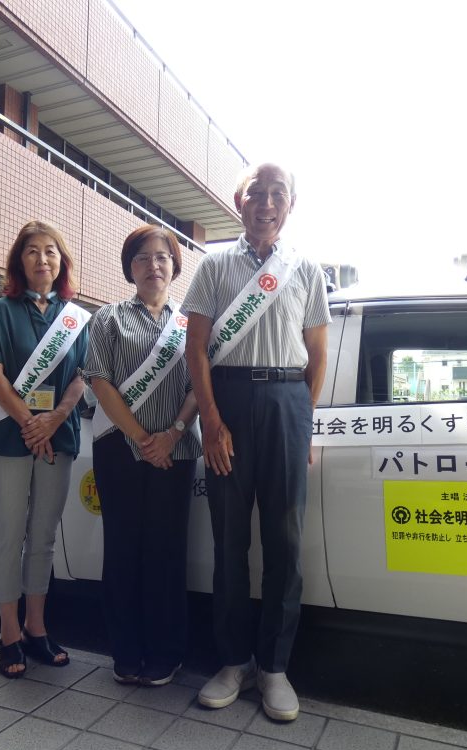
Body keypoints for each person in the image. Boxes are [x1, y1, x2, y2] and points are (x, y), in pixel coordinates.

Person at [182, 162, 329, 721]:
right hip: (229, 403)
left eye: (277, 194)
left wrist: (301, 424)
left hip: (287, 401)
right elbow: (196, 350)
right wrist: (211, 422)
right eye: (256, 194)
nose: (266, 203)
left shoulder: (305, 269)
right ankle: (232, 662)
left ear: (290, 205)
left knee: (285, 545)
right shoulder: (214, 265)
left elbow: (317, 356)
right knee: (229, 543)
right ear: (239, 202)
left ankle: (274, 668)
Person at [85, 225, 201, 687]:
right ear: (129, 267)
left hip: (176, 450)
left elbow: (198, 386)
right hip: (119, 449)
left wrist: (171, 434)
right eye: (142, 257)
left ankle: (165, 653)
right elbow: (99, 380)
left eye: (162, 257)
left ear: (174, 265)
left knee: (166, 551)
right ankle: (126, 652)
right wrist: (141, 438)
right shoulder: (108, 318)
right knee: (123, 550)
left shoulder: (191, 323)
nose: (153, 265)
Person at [0, 220, 89, 679]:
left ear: (62, 262)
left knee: (42, 537)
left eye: (51, 251)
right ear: (19, 261)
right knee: (8, 534)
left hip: (58, 436)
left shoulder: (75, 318)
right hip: (10, 436)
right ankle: (8, 634)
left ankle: (35, 628)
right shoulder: (1, 311)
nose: (43, 259)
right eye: (32, 251)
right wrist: (29, 422)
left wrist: (55, 419)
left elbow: (82, 377)